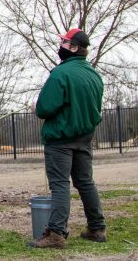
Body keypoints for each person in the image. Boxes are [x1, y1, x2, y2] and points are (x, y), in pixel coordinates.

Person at [29, 28, 106, 249]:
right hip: (84, 138)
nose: (60, 46)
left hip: (60, 140)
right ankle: (97, 228)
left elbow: (45, 108)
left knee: (60, 185)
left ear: (73, 47)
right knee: (85, 182)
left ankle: (56, 234)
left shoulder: (60, 74)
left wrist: (37, 107)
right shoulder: (94, 75)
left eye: (63, 43)